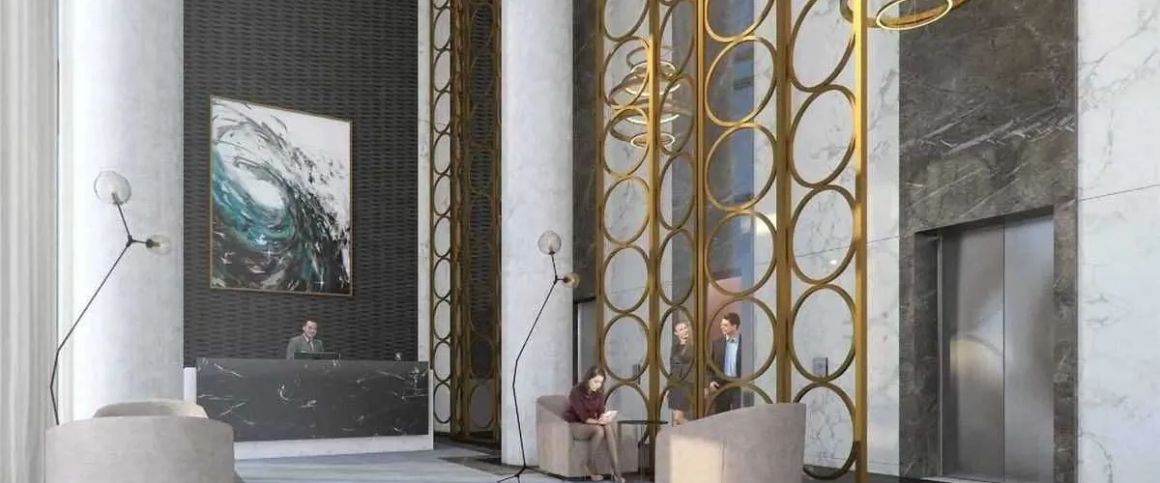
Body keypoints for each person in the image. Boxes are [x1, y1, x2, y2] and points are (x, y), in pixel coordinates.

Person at [564, 366, 625, 483]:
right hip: (576, 424)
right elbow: (583, 417)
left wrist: (605, 417)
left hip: (591, 423)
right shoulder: (576, 392)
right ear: (588, 379)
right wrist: (598, 422)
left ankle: (616, 471)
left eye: (601, 382)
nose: (598, 385)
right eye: (596, 381)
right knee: (599, 430)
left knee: (607, 427)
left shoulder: (599, 393)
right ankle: (589, 464)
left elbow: (600, 411)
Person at [709, 312, 742, 414]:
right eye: (721, 325)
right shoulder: (716, 344)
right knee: (721, 417)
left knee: (739, 416)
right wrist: (711, 381)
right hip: (721, 387)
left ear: (734, 326)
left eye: (725, 325)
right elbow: (709, 367)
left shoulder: (746, 343)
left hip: (740, 385)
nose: (722, 327)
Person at [667, 319, 693, 425]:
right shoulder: (675, 348)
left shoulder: (693, 346)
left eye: (685, 328)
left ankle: (696, 431)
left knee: (678, 418)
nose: (685, 330)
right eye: (681, 329)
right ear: (676, 333)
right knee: (675, 421)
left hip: (686, 384)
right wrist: (668, 388)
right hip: (675, 385)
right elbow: (672, 368)